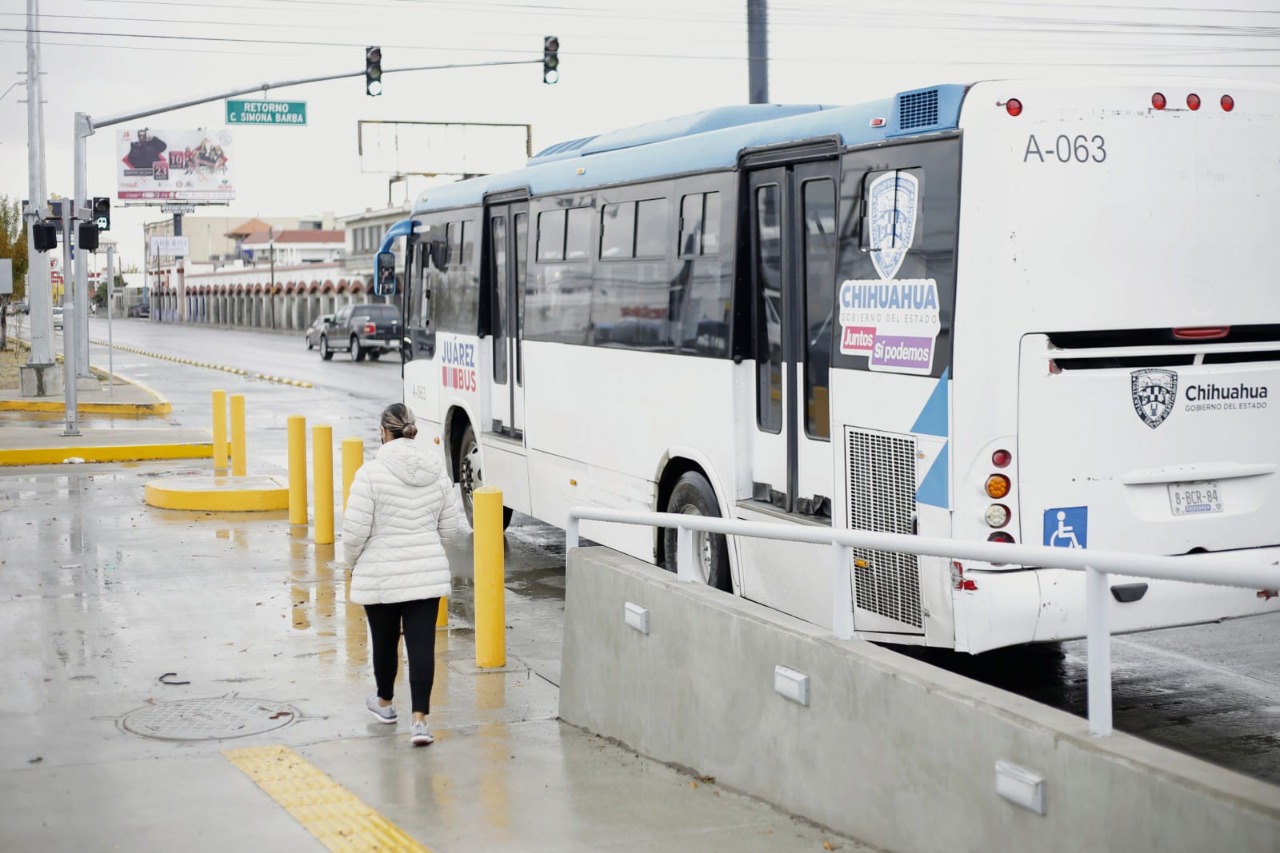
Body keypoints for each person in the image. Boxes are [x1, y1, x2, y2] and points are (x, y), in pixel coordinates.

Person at [342, 403, 469, 746]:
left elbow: (354, 533)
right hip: (424, 572)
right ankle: (420, 721)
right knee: (421, 644)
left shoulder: (370, 473)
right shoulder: (437, 471)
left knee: (384, 640)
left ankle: (385, 704)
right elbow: (452, 528)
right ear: (412, 430)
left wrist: (349, 561)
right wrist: (427, 545)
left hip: (381, 573)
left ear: (384, 432)